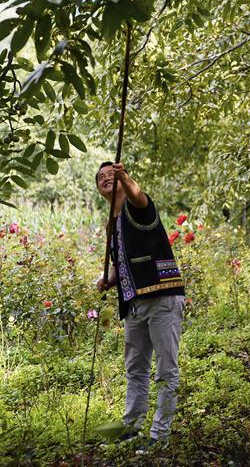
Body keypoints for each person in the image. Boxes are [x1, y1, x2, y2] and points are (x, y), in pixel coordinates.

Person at [95, 161, 185, 446]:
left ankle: (160, 436)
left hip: (161, 296)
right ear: (99, 190)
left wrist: (126, 177)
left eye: (113, 175)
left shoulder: (138, 207)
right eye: (102, 178)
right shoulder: (113, 223)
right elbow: (122, 264)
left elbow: (138, 195)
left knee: (166, 371)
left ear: (122, 180)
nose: (107, 178)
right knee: (135, 369)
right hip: (133, 304)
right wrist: (108, 279)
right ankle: (131, 427)